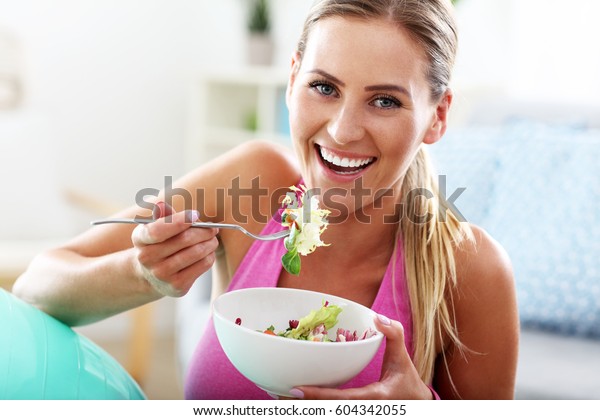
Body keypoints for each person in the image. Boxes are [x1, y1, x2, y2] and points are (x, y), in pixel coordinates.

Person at [13, 0, 518, 400]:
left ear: (438, 115)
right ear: (293, 78)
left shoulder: (471, 268)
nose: (342, 130)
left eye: (385, 101)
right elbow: (37, 286)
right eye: (324, 87)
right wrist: (142, 274)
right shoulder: (252, 182)